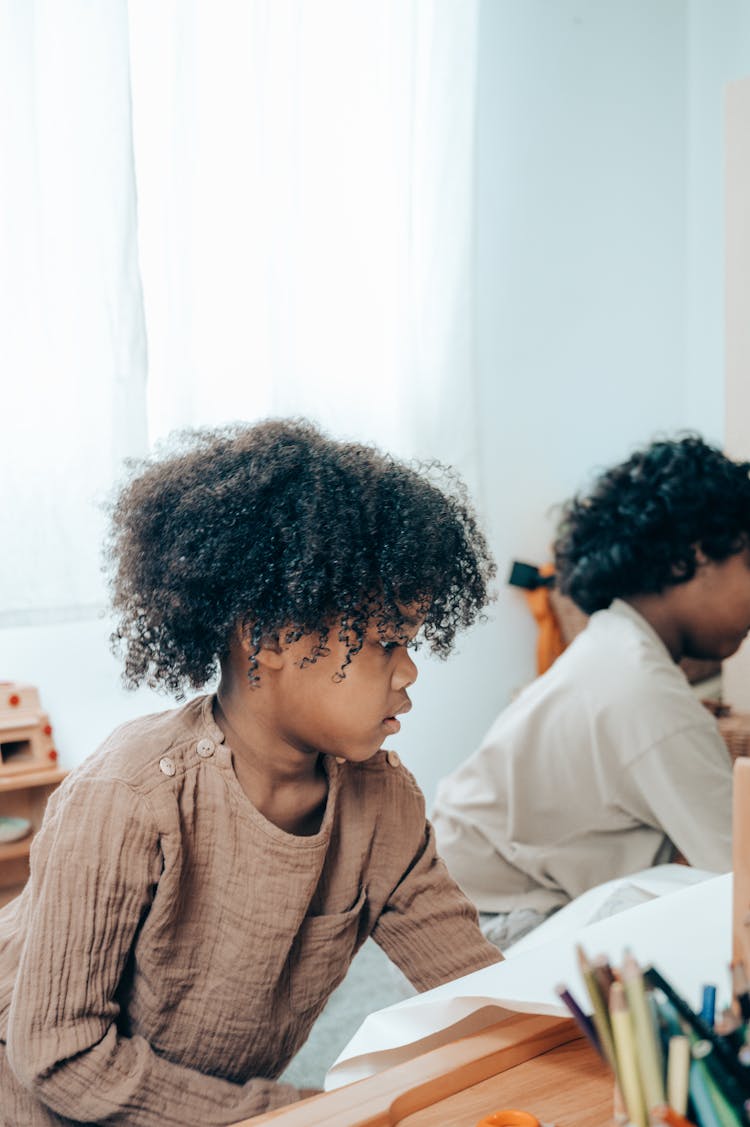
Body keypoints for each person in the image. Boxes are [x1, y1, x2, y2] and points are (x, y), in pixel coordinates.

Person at [0, 419, 502, 1126]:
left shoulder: (383, 805)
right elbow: (60, 1055)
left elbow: (474, 989)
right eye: (387, 642)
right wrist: (305, 1111)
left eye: (412, 642)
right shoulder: (128, 796)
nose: (409, 671)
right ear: (266, 635)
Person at [432, 435, 747, 949]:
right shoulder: (646, 692)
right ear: (690, 558)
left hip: (472, 883)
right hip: (489, 923)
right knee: (704, 925)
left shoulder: (614, 640)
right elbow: (740, 869)